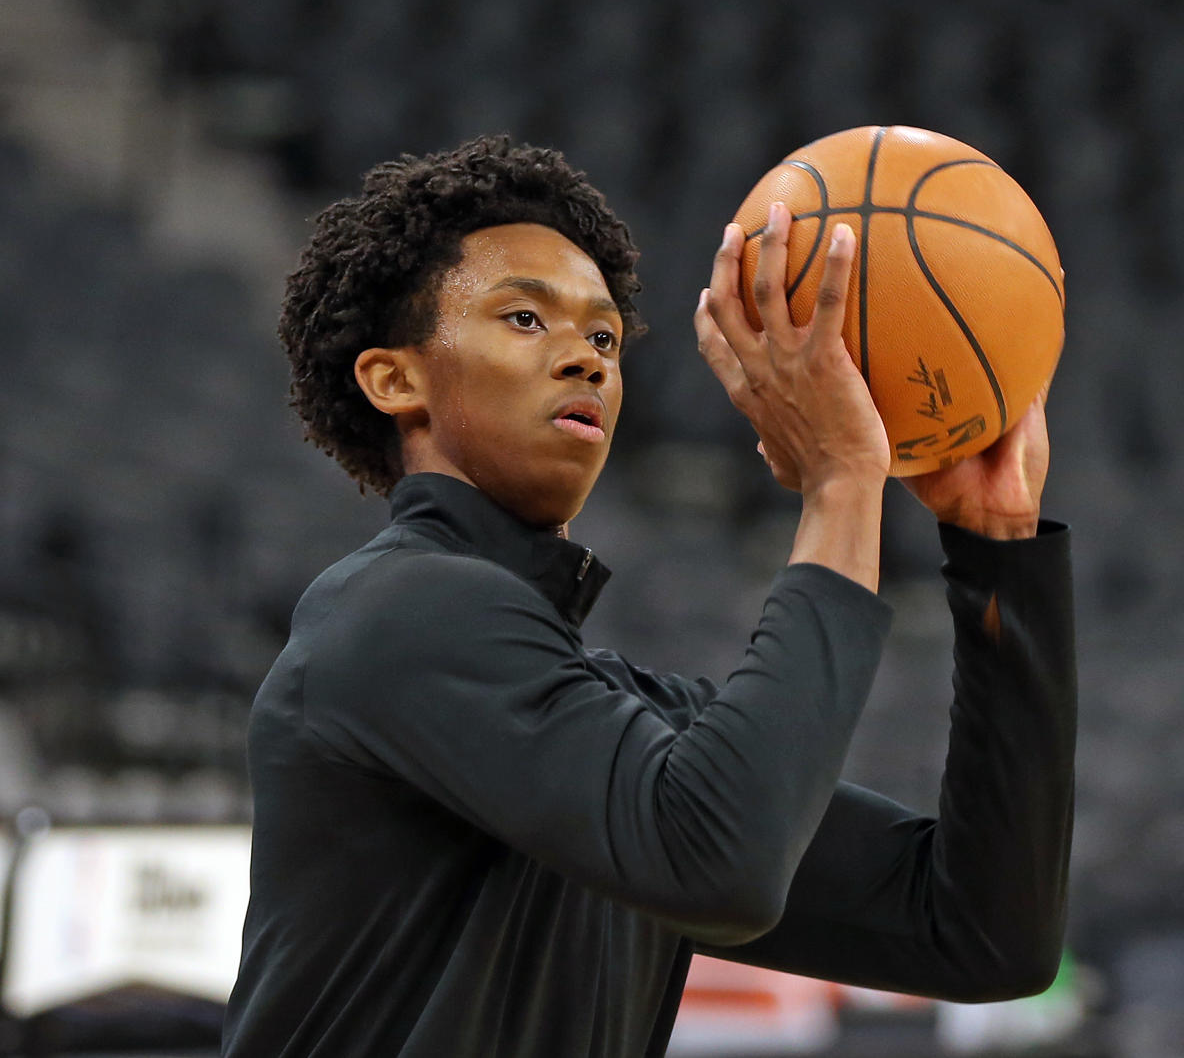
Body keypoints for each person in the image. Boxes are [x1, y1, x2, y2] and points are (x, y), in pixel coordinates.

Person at [222, 135, 1076, 1058]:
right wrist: (841, 483)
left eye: (603, 337)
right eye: (524, 318)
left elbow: (985, 934)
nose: (587, 359)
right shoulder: (391, 613)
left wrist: (997, 555)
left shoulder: (620, 727)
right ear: (396, 379)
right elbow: (722, 864)